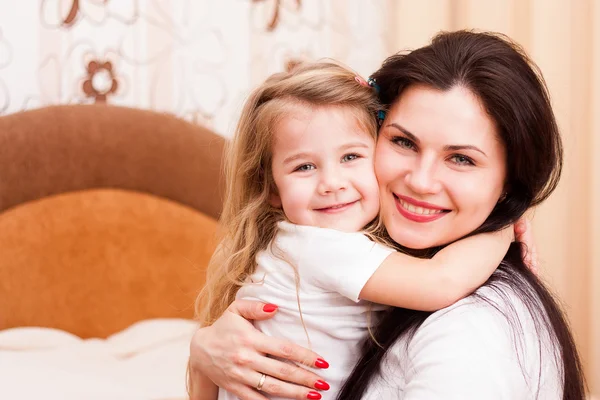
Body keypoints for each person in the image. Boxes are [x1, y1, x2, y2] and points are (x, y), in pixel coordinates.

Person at [188, 31, 587, 400]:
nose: (421, 181)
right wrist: (204, 356)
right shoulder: (337, 246)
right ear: (271, 188)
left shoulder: (469, 332)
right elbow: (440, 280)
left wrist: (505, 221)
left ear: (509, 181)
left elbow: (442, 282)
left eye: (462, 158)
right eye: (403, 142)